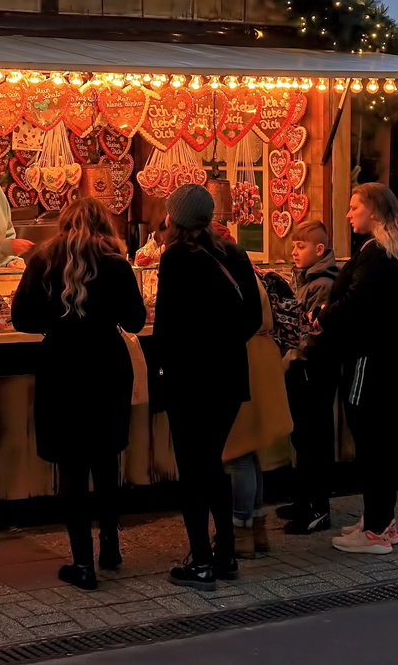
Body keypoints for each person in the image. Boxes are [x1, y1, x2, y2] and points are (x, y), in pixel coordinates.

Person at [10, 198, 146, 590]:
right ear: (105, 224)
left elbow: (22, 318)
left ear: (63, 223)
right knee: (106, 458)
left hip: (62, 367)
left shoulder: (42, 259)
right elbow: (135, 320)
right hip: (107, 364)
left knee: (71, 465)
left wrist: (58, 323)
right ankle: (110, 546)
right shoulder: (117, 264)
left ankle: (82, 563)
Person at [308, 182, 398, 555]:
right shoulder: (397, 246)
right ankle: (380, 521)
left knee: (371, 440)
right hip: (390, 354)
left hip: (369, 356)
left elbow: (358, 301)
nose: (348, 214)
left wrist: (323, 316)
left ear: (373, 211)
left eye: (354, 207)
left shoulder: (378, 251)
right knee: (380, 440)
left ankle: (376, 530)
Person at [153, 184, 262, 586]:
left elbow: (165, 325)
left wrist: (164, 367)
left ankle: (200, 560)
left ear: (175, 217)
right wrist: (223, 342)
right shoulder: (233, 253)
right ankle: (226, 553)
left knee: (193, 470)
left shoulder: (176, 257)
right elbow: (252, 316)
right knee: (212, 463)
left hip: (189, 379)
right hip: (229, 377)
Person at [222, 254, 296, 561]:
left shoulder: (230, 277)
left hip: (246, 360)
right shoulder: (250, 274)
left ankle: (240, 531)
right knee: (250, 451)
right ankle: (257, 529)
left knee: (237, 450)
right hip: (263, 358)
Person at [278, 220, 340, 535]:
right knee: (302, 436)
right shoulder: (305, 280)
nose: (294, 252)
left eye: (300, 246)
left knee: (312, 437)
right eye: (293, 246)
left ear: (318, 249)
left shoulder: (322, 285)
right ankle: (304, 499)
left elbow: (311, 332)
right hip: (302, 366)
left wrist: (289, 339)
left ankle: (316, 507)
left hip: (312, 368)